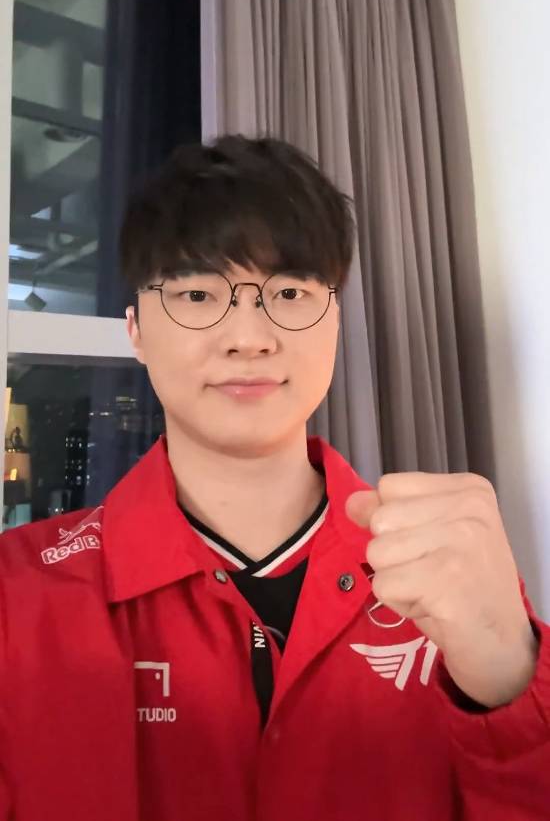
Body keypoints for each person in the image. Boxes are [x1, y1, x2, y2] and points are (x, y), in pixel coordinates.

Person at [0, 136, 549, 821]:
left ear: (334, 321)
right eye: (197, 293)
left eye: (288, 292)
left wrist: (513, 689)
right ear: (135, 330)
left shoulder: (447, 570)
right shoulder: (18, 595)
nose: (249, 337)